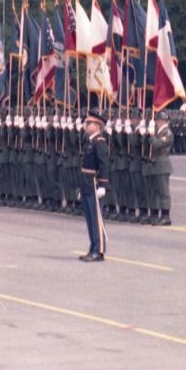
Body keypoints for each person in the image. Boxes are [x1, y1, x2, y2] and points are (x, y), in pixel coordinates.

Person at [78, 111, 111, 261]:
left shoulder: (100, 142)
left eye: (89, 123)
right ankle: (93, 247)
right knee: (90, 218)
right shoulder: (90, 141)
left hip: (94, 183)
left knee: (96, 218)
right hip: (86, 183)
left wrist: (103, 185)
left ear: (98, 126)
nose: (86, 125)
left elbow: (104, 165)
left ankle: (99, 250)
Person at [147, 109, 175, 225]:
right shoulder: (159, 132)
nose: (157, 122)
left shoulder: (167, 133)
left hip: (162, 165)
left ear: (164, 121)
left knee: (163, 192)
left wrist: (152, 136)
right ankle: (155, 214)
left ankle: (165, 216)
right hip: (156, 165)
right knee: (154, 191)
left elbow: (158, 144)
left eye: (159, 120)